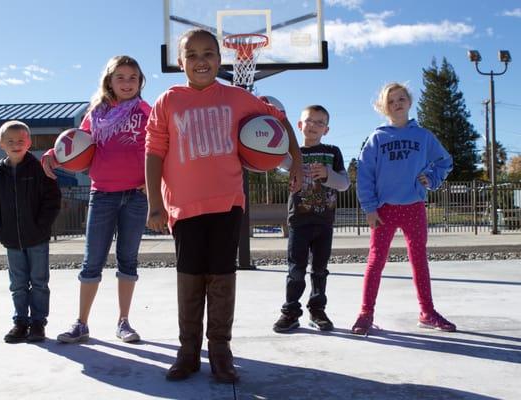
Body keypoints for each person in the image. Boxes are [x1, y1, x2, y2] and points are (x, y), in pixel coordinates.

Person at [145, 28, 303, 383]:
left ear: (220, 58)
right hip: (183, 206)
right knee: (189, 277)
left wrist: (296, 162)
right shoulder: (168, 101)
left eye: (209, 54)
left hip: (227, 202)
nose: (201, 61)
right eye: (193, 55)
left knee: (221, 276)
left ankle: (220, 351)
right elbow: (154, 153)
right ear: (180, 61)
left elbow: (279, 119)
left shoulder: (237, 97)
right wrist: (155, 203)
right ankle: (187, 352)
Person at [41, 55, 151, 343]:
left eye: (133, 77)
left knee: (128, 260)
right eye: (121, 77)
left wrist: (155, 182)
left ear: (140, 82)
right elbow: (77, 143)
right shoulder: (96, 113)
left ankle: (124, 322)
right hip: (101, 194)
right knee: (92, 262)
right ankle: (81, 323)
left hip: (136, 196)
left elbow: (161, 147)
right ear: (109, 82)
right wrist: (54, 154)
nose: (127, 83)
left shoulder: (147, 111)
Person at [352, 82, 456, 336]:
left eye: (401, 99)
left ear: (409, 102)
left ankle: (427, 312)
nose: (397, 104)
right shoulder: (377, 137)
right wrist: (369, 207)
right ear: (383, 107)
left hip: (414, 207)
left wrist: (431, 178)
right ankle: (366, 312)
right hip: (384, 209)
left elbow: (445, 161)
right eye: (391, 101)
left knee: (419, 260)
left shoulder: (423, 136)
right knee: (376, 261)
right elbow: (364, 174)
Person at [272, 105, 350, 333]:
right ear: (299, 125)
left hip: (324, 221)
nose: (313, 126)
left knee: (319, 269)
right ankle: (290, 312)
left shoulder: (333, 152)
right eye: (309, 121)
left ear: (326, 129)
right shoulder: (292, 152)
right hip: (299, 220)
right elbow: (274, 158)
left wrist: (327, 175)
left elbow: (344, 184)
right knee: (296, 269)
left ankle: (317, 310)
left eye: (319, 122)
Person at [0, 120, 61, 343]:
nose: (16, 144)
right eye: (10, 141)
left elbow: (52, 200)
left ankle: (38, 323)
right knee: (17, 284)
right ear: (1, 144)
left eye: (20, 140)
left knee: (38, 282)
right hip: (11, 240)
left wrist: (42, 226)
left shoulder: (39, 170)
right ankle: (20, 322)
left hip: (37, 239)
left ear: (29, 142)